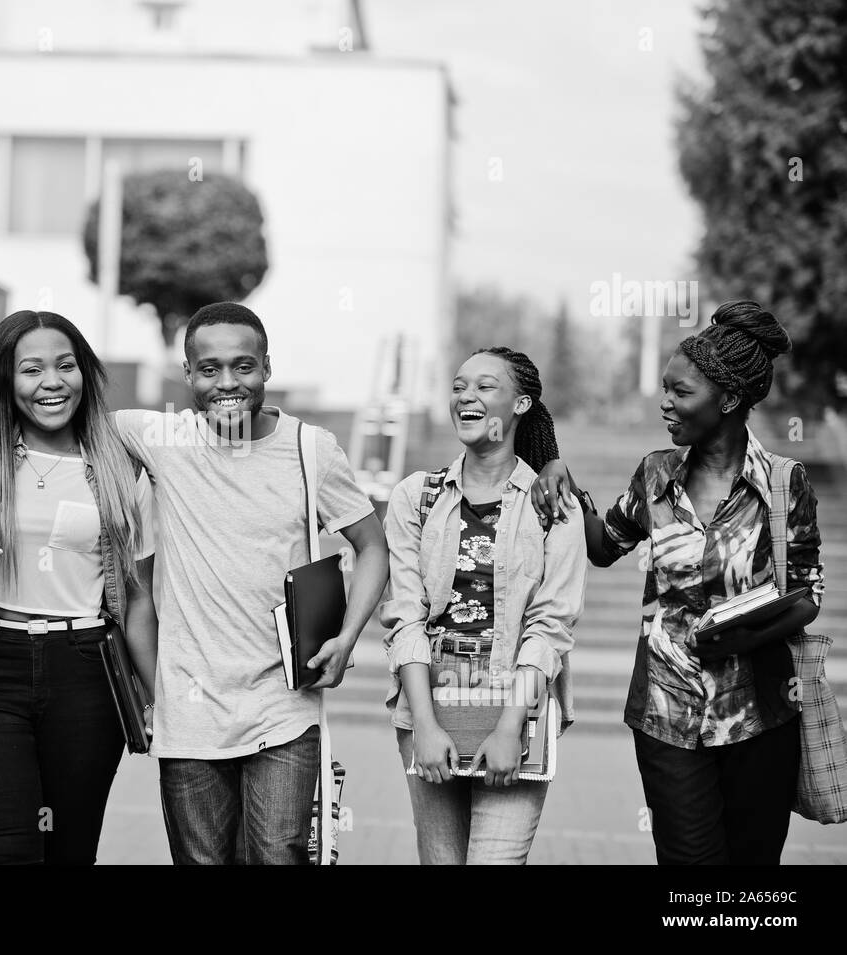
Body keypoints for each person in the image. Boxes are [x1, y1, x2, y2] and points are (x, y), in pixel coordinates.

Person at [530, 301, 823, 865]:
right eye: (665, 388)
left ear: (729, 400)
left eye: (681, 392)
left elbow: (808, 596)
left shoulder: (787, 484)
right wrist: (554, 466)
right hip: (667, 715)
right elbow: (603, 546)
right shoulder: (655, 473)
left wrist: (740, 636)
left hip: (761, 716)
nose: (665, 402)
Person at [114, 302, 388, 865]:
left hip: (283, 705)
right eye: (209, 369)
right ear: (187, 375)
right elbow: (54, 414)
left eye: (243, 366)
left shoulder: (311, 450)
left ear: (267, 368)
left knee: (278, 856)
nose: (227, 383)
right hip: (189, 709)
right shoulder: (160, 437)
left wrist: (347, 637)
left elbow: (373, 548)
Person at [0, 310, 157, 865]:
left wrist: (158, 697)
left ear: (86, 374)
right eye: (31, 370)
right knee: (3, 855)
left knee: (69, 855)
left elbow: (140, 598)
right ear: (5, 381)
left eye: (65, 366)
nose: (51, 382)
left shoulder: (123, 469)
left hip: (87, 673)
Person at [379, 347, 586, 864]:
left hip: (516, 704)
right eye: (458, 386)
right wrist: (424, 726)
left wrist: (509, 725)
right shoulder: (416, 496)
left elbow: (551, 625)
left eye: (485, 386)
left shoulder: (553, 502)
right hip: (430, 701)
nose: (466, 397)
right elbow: (404, 614)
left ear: (520, 404)